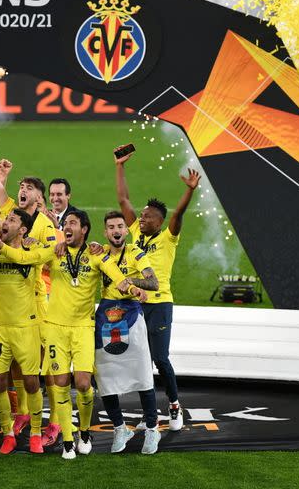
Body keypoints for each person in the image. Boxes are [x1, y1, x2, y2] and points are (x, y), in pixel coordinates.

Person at [41, 210, 145, 459]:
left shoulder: (97, 255)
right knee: (60, 384)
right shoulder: (56, 251)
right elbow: (31, 257)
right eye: (65, 223)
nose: (67, 226)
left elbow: (117, 277)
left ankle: (84, 431)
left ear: (84, 229)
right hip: (55, 326)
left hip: (83, 328)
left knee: (84, 384)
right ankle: (68, 439)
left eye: (73, 223)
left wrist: (132, 288)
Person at [115, 145, 200, 431]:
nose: (142, 218)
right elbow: (124, 199)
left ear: (160, 222)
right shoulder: (136, 232)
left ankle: (175, 405)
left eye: (148, 216)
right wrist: (120, 165)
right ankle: (149, 413)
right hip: (136, 304)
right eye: (142, 215)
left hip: (160, 304)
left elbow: (179, 214)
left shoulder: (168, 238)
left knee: (160, 359)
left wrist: (189, 191)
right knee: (141, 361)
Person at [0, 209, 55, 455]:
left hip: (27, 327)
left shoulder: (34, 252)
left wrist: (2, 247)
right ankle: (7, 434)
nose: (5, 222)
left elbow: (26, 258)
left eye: (12, 220)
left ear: (24, 229)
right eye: (6, 219)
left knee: (32, 382)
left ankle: (35, 433)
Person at [97, 211, 161, 454]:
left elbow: (154, 283)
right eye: (111, 226)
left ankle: (152, 429)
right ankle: (119, 427)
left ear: (126, 230)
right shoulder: (99, 252)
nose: (116, 230)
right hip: (106, 318)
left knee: (143, 373)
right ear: (106, 232)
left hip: (132, 318)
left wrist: (129, 280)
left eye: (120, 226)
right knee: (105, 375)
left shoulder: (135, 252)